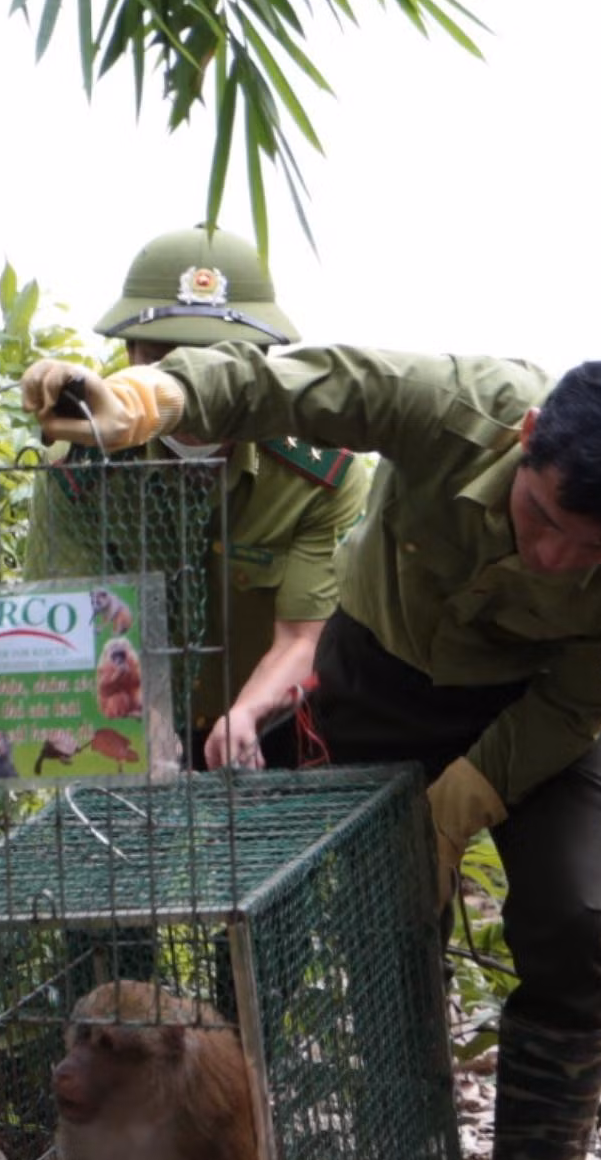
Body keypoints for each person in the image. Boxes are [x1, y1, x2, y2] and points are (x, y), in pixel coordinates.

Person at [18, 343, 601, 1160]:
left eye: (595, 550)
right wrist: (149, 395)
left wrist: (454, 807)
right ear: (527, 438)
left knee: (575, 917)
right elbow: (285, 382)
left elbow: (577, 710)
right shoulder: (456, 408)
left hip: (544, 714)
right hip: (382, 677)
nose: (553, 559)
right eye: (542, 516)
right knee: (373, 925)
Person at [21, 226, 372, 768]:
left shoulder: (319, 477)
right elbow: (67, 620)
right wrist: (140, 720)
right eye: (163, 362)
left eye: (217, 366)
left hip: (274, 720)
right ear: (128, 356)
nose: (189, 391)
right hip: (120, 722)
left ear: (262, 369)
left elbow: (303, 637)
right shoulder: (80, 474)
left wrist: (247, 716)